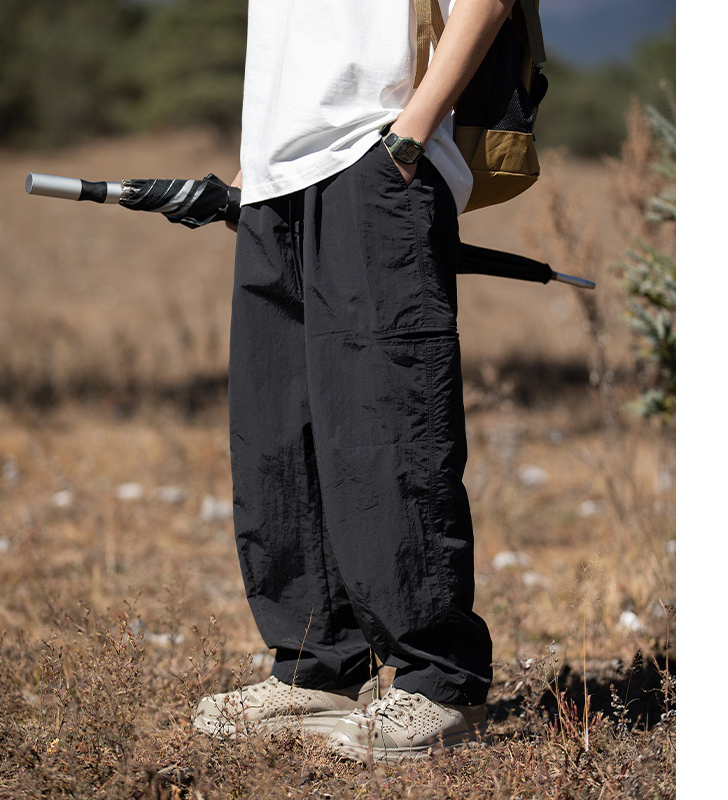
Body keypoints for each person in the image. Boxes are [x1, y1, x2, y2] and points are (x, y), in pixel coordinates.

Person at [194, 0, 515, 762]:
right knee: (278, 431)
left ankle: (440, 682)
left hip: (379, 156)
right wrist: (259, 158)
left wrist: (412, 130)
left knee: (388, 425)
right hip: (278, 174)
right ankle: (315, 666)